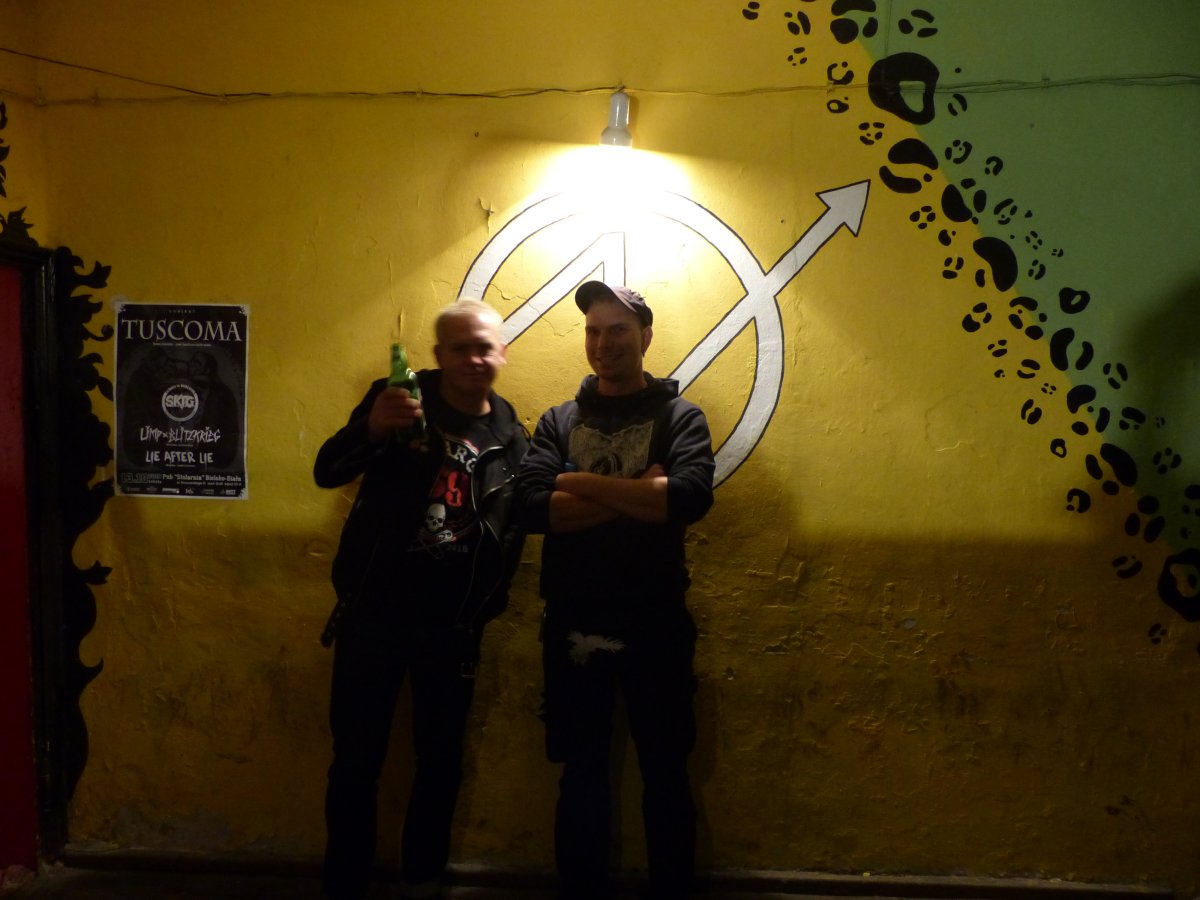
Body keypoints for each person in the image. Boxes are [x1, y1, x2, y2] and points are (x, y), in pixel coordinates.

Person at [313, 299, 528, 900]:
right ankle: (344, 884)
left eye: (484, 347)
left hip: (452, 625)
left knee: (441, 761)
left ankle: (423, 878)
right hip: (374, 613)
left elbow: (516, 527)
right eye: (460, 348)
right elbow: (327, 470)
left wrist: (485, 606)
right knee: (356, 761)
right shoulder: (400, 399)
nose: (473, 359)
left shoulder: (512, 436)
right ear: (438, 354)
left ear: (502, 352)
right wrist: (372, 430)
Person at [516, 281, 716, 900]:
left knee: (666, 774)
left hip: (657, 624)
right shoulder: (558, 421)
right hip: (574, 623)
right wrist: (639, 492)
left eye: (619, 330)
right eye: (594, 331)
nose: (604, 344)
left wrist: (575, 484)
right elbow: (530, 508)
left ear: (646, 336)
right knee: (581, 775)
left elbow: (688, 499)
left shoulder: (680, 417)